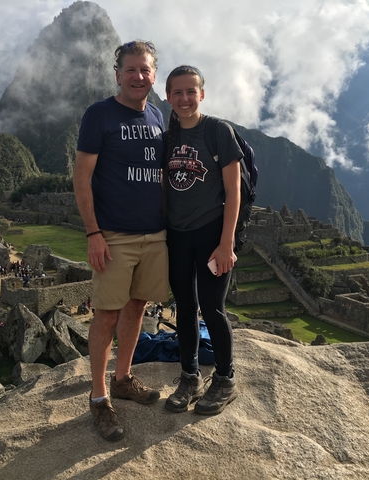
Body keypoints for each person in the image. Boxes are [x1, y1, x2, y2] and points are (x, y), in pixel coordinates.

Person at [73, 39, 169, 441]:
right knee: (107, 314)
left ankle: (124, 377)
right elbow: (81, 177)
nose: (138, 76)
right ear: (118, 74)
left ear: (153, 75)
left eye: (145, 69)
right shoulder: (100, 115)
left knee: (137, 305)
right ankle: (99, 399)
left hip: (155, 233)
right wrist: (94, 233)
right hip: (114, 235)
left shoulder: (158, 117)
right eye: (130, 69)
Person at [162, 65, 241, 415]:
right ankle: (190, 376)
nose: (184, 98)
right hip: (178, 235)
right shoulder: (169, 137)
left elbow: (233, 190)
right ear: (168, 97)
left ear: (202, 94)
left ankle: (225, 378)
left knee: (212, 308)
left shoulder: (217, 131)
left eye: (191, 91)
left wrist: (227, 244)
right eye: (177, 92)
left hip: (211, 232)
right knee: (184, 308)